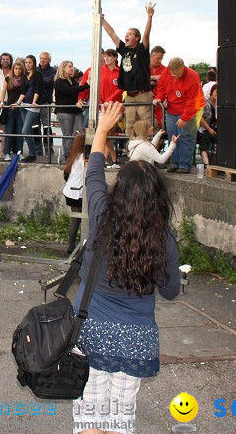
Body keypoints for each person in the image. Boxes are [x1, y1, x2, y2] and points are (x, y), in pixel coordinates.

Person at [74, 101, 180, 434]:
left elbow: (92, 172)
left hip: (90, 331)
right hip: (135, 337)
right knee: (119, 421)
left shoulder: (102, 216)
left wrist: (103, 129)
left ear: (118, 189)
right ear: (158, 197)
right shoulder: (164, 239)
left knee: (88, 419)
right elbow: (170, 291)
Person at [101, 4, 156, 137]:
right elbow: (112, 34)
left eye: (130, 34)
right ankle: (132, 153)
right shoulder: (124, 50)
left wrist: (149, 17)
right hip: (130, 96)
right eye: (126, 33)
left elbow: (147, 35)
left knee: (144, 125)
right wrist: (102, 20)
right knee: (130, 126)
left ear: (136, 38)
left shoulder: (141, 49)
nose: (127, 35)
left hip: (143, 94)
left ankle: (145, 153)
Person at [153, 58, 205, 174]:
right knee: (173, 136)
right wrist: (158, 98)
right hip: (172, 109)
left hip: (189, 110)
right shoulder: (166, 73)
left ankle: (185, 165)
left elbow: (193, 101)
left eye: (179, 74)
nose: (176, 76)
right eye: (174, 74)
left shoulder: (193, 77)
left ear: (183, 68)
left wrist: (185, 118)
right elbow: (161, 88)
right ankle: (175, 163)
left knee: (186, 137)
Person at [54, 60, 90, 159]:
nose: (72, 68)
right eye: (70, 66)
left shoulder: (73, 81)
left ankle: (77, 153)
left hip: (75, 110)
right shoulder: (59, 82)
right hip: (64, 111)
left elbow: (75, 92)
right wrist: (85, 85)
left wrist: (79, 100)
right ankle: (67, 154)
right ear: (63, 68)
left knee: (79, 131)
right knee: (68, 134)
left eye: (72, 66)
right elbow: (69, 91)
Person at [62, 131, 86, 255]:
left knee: (76, 220)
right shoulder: (83, 159)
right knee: (81, 220)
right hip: (78, 192)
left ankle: (72, 246)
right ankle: (76, 246)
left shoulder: (73, 155)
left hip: (70, 191)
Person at [2, 58, 27, 161]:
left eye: (19, 69)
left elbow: (23, 93)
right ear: (13, 69)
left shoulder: (24, 80)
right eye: (16, 69)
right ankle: (6, 153)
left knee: (19, 132)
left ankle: (19, 152)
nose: (17, 71)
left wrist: (18, 103)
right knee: (9, 131)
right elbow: (3, 91)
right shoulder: (8, 79)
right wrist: (1, 102)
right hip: (10, 108)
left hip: (20, 107)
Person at [20, 55, 44, 163]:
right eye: (26, 63)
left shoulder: (38, 74)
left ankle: (32, 153)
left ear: (33, 63)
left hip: (32, 106)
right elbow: (23, 91)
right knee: (27, 130)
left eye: (29, 62)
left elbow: (37, 89)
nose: (27, 64)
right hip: (23, 105)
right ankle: (31, 153)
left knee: (25, 130)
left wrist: (35, 101)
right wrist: (17, 103)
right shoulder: (25, 75)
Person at [37, 51, 56, 158]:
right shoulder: (36, 69)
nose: (42, 60)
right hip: (34, 103)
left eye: (44, 59)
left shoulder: (53, 71)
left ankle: (49, 151)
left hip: (45, 102)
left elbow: (49, 81)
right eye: (41, 58)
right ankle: (37, 150)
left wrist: (37, 79)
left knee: (47, 128)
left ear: (49, 60)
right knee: (35, 128)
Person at [198, 85, 218, 168]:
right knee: (205, 137)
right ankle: (206, 163)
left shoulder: (220, 104)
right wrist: (209, 129)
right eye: (216, 92)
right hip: (203, 127)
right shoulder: (205, 103)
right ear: (211, 92)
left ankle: (216, 161)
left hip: (214, 127)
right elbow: (199, 118)